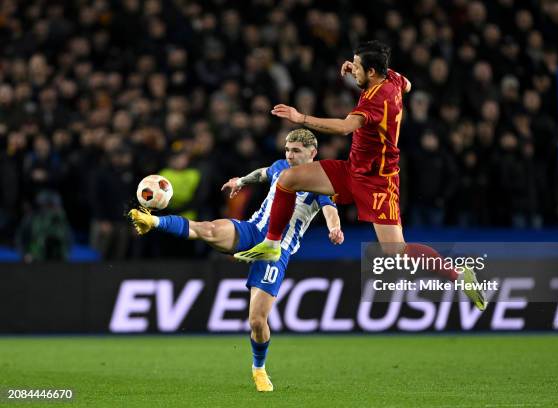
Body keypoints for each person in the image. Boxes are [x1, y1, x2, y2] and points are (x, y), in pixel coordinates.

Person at [234, 40, 487, 310]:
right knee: (288, 179)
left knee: (396, 252)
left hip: (379, 182)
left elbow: (345, 127)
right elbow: (408, 84)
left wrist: (301, 118)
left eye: (357, 67)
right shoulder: (392, 78)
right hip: (353, 170)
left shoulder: (377, 99)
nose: (352, 71)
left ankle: (460, 276)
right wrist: (358, 68)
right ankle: (272, 243)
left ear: (372, 72)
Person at [128, 129, 343, 392]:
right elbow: (264, 172)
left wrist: (335, 227)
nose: (290, 155)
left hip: (275, 251)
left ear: (313, 153)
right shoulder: (281, 167)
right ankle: (153, 221)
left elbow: (330, 207)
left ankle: (259, 368)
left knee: (257, 322)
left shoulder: (320, 182)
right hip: (252, 230)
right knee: (207, 229)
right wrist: (241, 181)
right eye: (288, 149)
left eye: (297, 151)